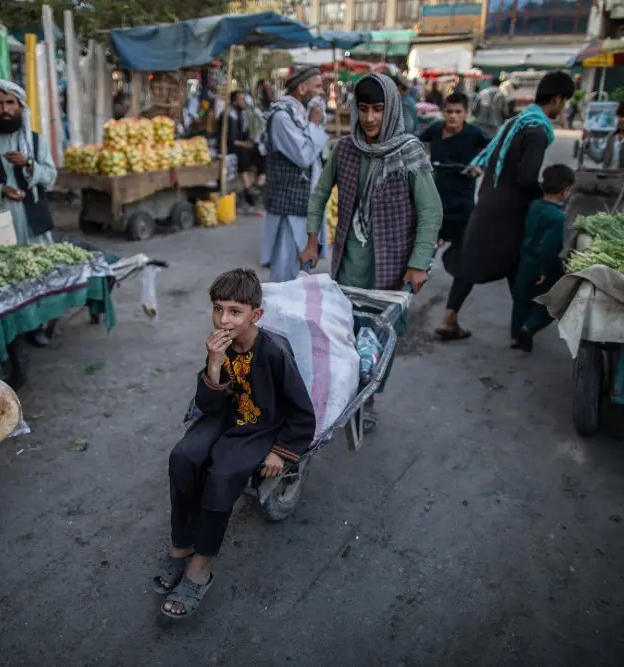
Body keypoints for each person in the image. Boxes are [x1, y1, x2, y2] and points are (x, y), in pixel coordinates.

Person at [154, 268, 315, 619]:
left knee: (223, 474)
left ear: (256, 315)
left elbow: (302, 411)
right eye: (217, 308)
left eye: (235, 311)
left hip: (260, 426)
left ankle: (200, 567)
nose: (223, 319)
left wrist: (280, 450)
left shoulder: (273, 351)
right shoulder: (221, 345)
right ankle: (181, 547)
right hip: (224, 417)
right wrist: (213, 362)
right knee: (183, 458)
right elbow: (209, 405)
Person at [302, 74, 443, 431]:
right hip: (350, 259)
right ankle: (346, 390)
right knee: (346, 329)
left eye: (378, 109)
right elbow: (319, 194)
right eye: (363, 109)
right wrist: (312, 239)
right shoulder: (346, 150)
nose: (369, 119)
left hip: (394, 265)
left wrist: (418, 263)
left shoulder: (409, 152)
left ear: (391, 109)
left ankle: (370, 397)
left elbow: (430, 212)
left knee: (381, 334)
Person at [450, 71, 576, 340]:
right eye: (564, 102)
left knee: (472, 262)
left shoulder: (516, 122)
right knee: (523, 266)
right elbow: (527, 177)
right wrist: (544, 197)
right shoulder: (538, 129)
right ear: (557, 99)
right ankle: (524, 328)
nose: (562, 108)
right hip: (510, 211)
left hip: (486, 201)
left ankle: (451, 318)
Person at [0, 80, 59, 347]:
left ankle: (38, 324)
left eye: (10, 103)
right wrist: (1, 190)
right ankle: (10, 329)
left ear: (20, 106)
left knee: (37, 272)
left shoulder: (36, 141)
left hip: (31, 218)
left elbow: (51, 177)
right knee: (5, 274)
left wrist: (28, 163)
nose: (5, 109)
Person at [418, 92, 491, 341]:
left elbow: (496, 151)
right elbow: (413, 144)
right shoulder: (434, 129)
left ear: (466, 114)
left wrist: (481, 166)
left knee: (467, 265)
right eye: (449, 112)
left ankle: (450, 318)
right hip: (434, 208)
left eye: (458, 112)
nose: (453, 117)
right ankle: (393, 307)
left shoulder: (475, 134)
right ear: (443, 112)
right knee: (415, 258)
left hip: (462, 210)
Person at [259, 67, 328, 281]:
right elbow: (304, 156)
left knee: (300, 267)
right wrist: (315, 124)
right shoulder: (282, 117)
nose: (322, 92)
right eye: (317, 86)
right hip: (289, 204)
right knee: (285, 268)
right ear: (302, 88)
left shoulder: (298, 114)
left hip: (302, 202)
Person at [509, 164, 575, 352]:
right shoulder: (557, 217)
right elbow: (548, 247)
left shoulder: (535, 206)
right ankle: (529, 327)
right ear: (565, 192)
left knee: (521, 300)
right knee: (553, 301)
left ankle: (516, 337)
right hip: (542, 267)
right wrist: (544, 270)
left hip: (525, 261)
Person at [218, 90, 262, 207]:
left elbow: (245, 134)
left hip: (241, 144)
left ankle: (259, 183)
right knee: (241, 152)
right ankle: (247, 186)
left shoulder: (242, 115)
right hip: (229, 147)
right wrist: (244, 144)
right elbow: (229, 140)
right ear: (234, 102)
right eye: (241, 100)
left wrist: (249, 142)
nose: (244, 102)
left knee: (260, 150)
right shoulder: (227, 115)